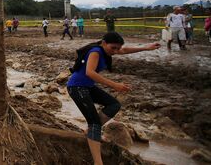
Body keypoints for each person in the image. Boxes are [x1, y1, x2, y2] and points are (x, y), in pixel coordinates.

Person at [67, 32, 160, 165]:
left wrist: (146, 47)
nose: (116, 51)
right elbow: (90, 72)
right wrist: (115, 85)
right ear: (104, 43)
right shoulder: (96, 51)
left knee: (113, 104)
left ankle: (92, 130)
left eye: (117, 48)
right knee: (94, 123)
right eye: (113, 48)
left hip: (87, 87)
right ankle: (98, 162)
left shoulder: (107, 50)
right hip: (77, 87)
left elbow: (124, 50)